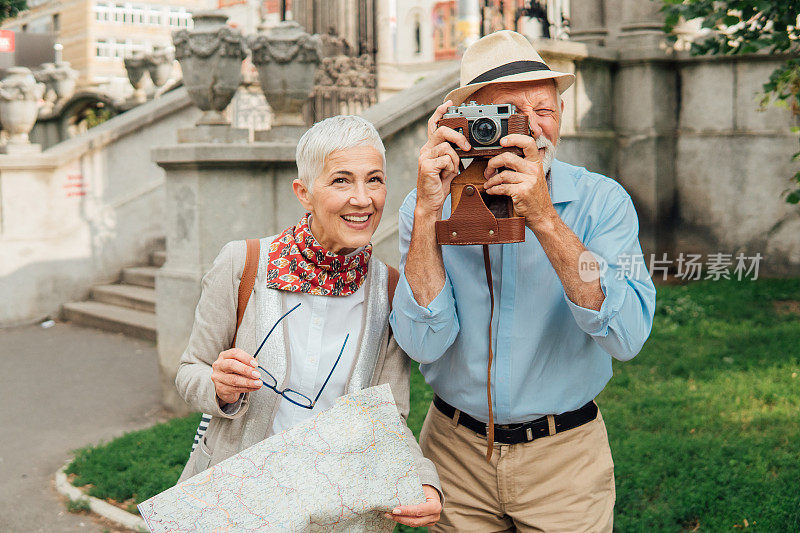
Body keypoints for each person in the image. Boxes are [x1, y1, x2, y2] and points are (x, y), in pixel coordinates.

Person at [389, 30, 657, 532]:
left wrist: (546, 219)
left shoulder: (603, 202)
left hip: (565, 461)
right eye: (507, 113)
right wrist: (429, 208)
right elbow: (423, 341)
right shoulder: (425, 207)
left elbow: (627, 336)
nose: (531, 130)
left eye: (546, 111)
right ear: (463, 124)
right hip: (454, 454)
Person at [176, 115, 441, 529]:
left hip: (337, 513)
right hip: (238, 501)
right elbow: (190, 371)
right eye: (341, 180)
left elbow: (388, 421)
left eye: (374, 180)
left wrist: (423, 482)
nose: (363, 199)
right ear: (304, 192)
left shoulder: (390, 290)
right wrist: (218, 386)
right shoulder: (243, 265)